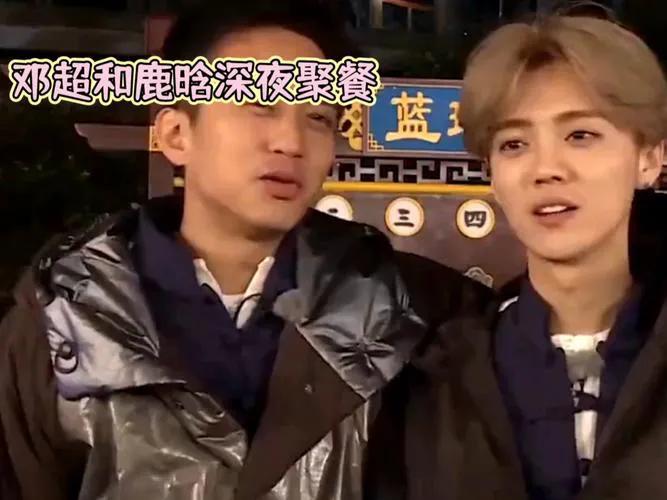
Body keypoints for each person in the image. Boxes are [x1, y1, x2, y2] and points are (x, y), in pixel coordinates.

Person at [0, 1, 491, 499]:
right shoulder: (64, 317)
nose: (291, 141)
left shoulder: (409, 311)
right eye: (259, 105)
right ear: (176, 133)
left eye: (318, 118)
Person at [364, 10, 667, 500]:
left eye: (580, 135)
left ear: (649, 158)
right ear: (492, 174)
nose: (546, 168)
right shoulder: (431, 381)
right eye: (514, 144)